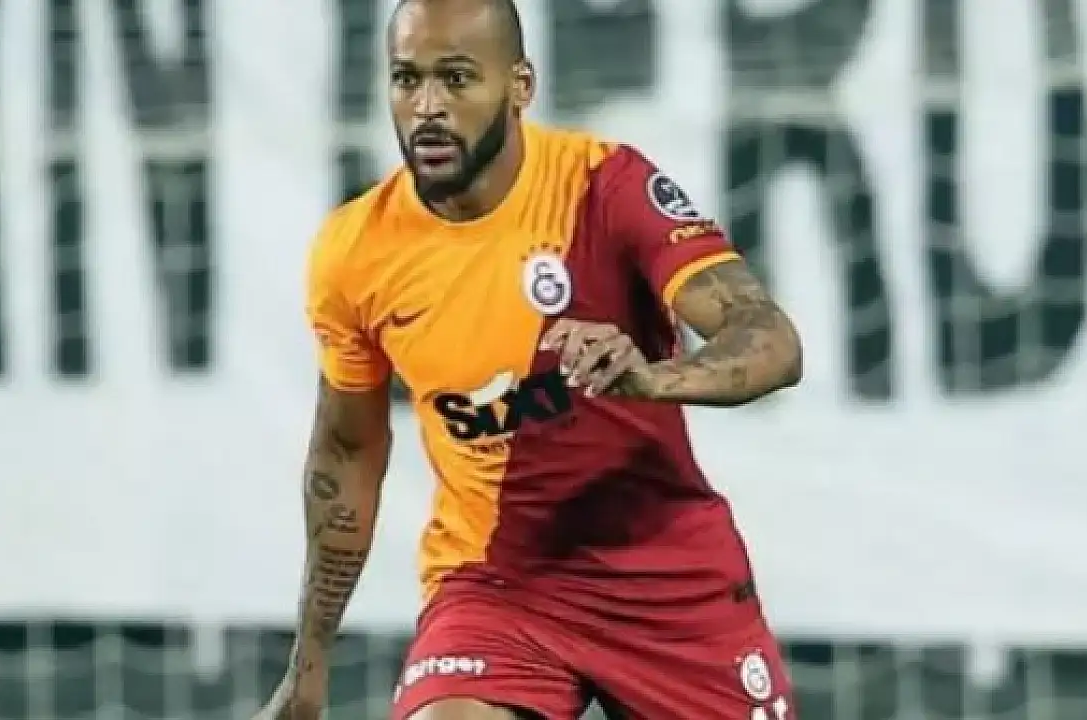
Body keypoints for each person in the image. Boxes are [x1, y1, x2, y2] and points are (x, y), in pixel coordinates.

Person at [257, 0, 804, 717]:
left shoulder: (602, 185)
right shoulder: (354, 251)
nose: (427, 107)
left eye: (457, 78)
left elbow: (771, 339)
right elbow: (347, 452)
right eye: (406, 78)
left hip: (665, 581)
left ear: (521, 85)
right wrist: (307, 667)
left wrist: (653, 378)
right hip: (497, 586)